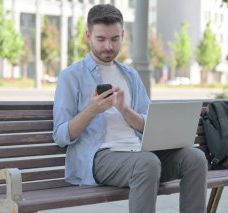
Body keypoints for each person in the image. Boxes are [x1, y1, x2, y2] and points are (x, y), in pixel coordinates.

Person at [53, 4, 207, 213]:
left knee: (194, 158)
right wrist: (92, 110)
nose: (108, 46)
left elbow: (147, 123)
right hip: (99, 157)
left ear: (123, 35)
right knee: (147, 163)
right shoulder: (71, 76)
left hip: (137, 151)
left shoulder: (130, 75)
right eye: (101, 39)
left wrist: (125, 110)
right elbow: (61, 135)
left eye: (115, 39)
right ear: (88, 36)